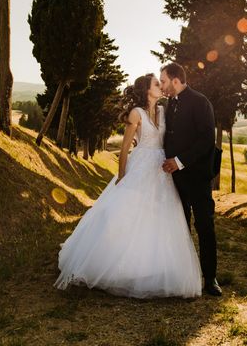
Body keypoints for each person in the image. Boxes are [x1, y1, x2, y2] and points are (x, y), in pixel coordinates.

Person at [54, 73, 202, 298]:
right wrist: (122, 176)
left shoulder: (163, 111)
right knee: (127, 212)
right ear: (146, 90)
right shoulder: (136, 113)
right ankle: (115, 264)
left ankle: (153, 267)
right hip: (141, 164)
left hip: (160, 168)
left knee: (159, 214)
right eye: (156, 84)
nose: (160, 87)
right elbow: (124, 148)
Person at [160, 62, 222, 296]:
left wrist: (180, 160)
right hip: (175, 179)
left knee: (204, 225)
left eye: (164, 81)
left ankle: (210, 278)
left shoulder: (200, 102)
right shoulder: (168, 105)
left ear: (176, 79)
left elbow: (206, 140)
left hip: (197, 176)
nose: (163, 86)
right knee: (180, 226)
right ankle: (184, 274)